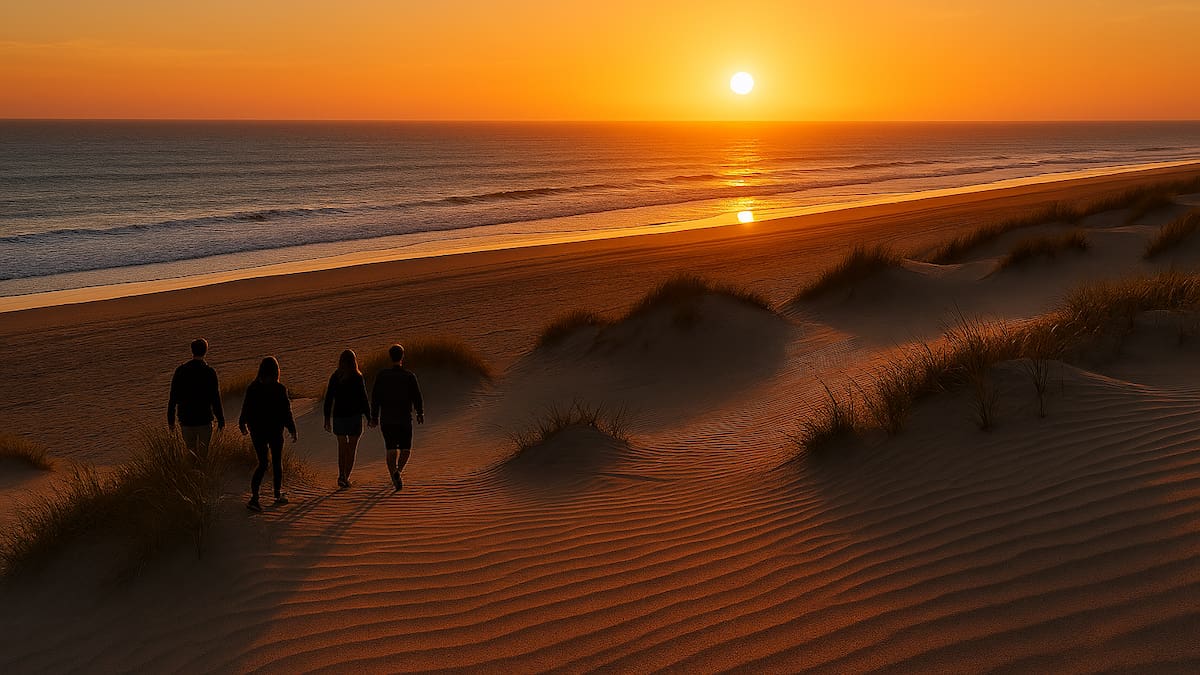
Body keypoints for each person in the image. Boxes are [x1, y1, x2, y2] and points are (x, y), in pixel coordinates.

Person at [238, 356, 297, 512]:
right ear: (276, 371)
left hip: (257, 432)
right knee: (276, 462)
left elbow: (246, 409)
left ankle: (255, 497)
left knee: (263, 463)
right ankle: (276, 494)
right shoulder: (279, 389)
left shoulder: (253, 387)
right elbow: (286, 412)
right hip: (274, 431)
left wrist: (242, 423)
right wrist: (292, 429)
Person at [370, 344, 424, 491]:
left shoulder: (382, 375)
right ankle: (398, 472)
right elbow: (417, 396)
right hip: (404, 419)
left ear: (390, 356)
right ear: (402, 356)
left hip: (387, 419)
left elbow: (375, 398)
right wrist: (420, 413)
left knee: (391, 449)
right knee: (406, 450)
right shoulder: (409, 376)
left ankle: (394, 473)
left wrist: (374, 416)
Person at [167, 338, 225, 457]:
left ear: (192, 351)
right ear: (205, 351)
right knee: (204, 455)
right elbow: (215, 398)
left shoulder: (181, 371)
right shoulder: (209, 372)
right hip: (204, 420)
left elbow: (173, 397)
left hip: (186, 420)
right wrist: (220, 419)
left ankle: (193, 474)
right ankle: (203, 474)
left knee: (190, 453)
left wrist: (171, 421)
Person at [324, 349, 371, 488]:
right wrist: (369, 417)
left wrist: (327, 418)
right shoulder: (357, 377)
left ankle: (341, 476)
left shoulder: (335, 376)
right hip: (354, 417)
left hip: (339, 417)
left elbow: (328, 398)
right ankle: (346, 477)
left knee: (342, 448)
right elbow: (363, 399)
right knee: (351, 448)